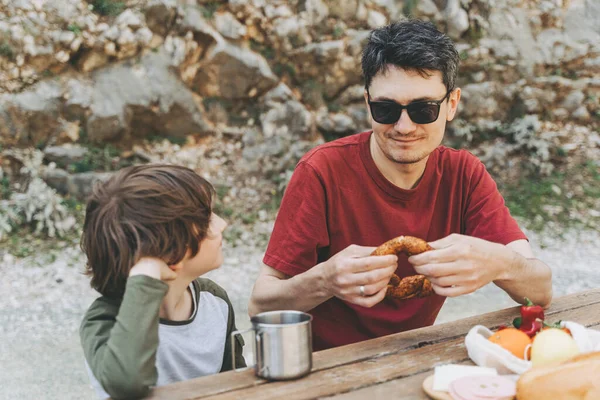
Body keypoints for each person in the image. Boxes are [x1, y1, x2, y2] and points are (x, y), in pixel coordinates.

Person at [248, 19, 552, 351]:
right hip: (325, 367)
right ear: (367, 104)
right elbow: (260, 306)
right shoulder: (322, 171)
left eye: (424, 109)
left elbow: (540, 289)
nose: (404, 127)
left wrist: (499, 262)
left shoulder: (464, 175)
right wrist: (325, 280)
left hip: (414, 359)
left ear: (451, 104)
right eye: (386, 109)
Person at [79, 164, 245, 399]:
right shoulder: (105, 320)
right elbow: (127, 384)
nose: (221, 224)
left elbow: (239, 386)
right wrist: (146, 277)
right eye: (206, 218)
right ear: (171, 252)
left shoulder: (214, 301)